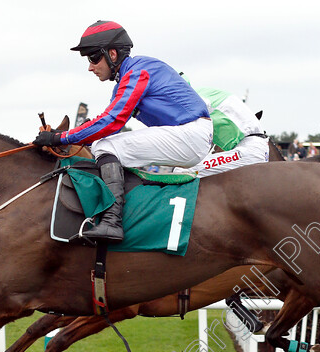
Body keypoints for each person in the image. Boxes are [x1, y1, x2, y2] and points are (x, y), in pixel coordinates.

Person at [33, 20, 212, 242]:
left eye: (93, 58)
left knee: (105, 146)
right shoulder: (125, 81)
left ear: (113, 54)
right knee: (104, 146)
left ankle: (111, 222)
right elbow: (105, 123)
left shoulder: (138, 71)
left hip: (191, 135)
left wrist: (60, 137)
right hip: (187, 137)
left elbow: (112, 121)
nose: (90, 67)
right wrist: (64, 140)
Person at [175, 83, 269, 177]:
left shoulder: (196, 98)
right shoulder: (207, 93)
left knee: (180, 171)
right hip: (256, 147)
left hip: (248, 150)